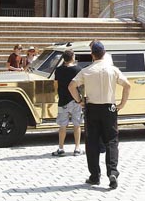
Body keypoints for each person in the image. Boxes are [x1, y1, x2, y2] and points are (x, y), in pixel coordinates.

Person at [69, 41, 131, 190]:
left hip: (92, 108)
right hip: (109, 108)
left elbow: (71, 86)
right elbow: (127, 85)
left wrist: (79, 101)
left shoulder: (87, 70)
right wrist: (122, 104)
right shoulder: (113, 70)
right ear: (104, 53)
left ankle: (95, 176)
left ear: (92, 55)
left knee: (92, 143)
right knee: (111, 140)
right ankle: (112, 172)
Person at [52, 49, 82, 157]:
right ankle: (77, 148)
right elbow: (80, 85)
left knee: (62, 125)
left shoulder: (58, 70)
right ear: (72, 57)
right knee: (77, 124)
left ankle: (61, 148)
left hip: (63, 100)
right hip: (75, 100)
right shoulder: (78, 69)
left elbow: (56, 84)